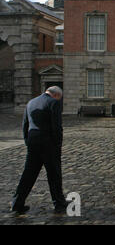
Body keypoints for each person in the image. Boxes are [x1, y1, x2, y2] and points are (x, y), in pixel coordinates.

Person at [11, 86, 68, 215]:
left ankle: (17, 203)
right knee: (54, 174)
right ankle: (58, 203)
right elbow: (56, 126)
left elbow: (25, 124)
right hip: (48, 144)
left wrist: (27, 141)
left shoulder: (31, 102)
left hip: (33, 143)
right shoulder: (53, 103)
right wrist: (58, 144)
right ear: (56, 95)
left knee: (28, 175)